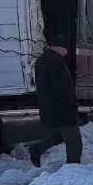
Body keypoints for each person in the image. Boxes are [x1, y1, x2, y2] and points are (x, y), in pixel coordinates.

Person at [29, 34, 81, 166]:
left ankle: (37, 149)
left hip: (51, 108)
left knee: (59, 136)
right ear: (60, 48)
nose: (67, 51)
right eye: (65, 48)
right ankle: (73, 169)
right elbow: (62, 88)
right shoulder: (55, 62)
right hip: (62, 108)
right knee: (75, 143)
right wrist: (71, 106)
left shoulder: (44, 60)